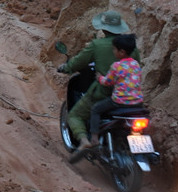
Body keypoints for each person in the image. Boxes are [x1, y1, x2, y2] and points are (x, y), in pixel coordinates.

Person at [57, 10, 140, 154]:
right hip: (133, 96)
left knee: (75, 115)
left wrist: (67, 67)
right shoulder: (130, 47)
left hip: (104, 93)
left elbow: (78, 62)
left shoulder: (97, 45)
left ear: (103, 28)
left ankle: (85, 141)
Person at [70, 34, 144, 163]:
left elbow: (107, 82)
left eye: (114, 49)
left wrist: (99, 77)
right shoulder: (136, 64)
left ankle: (94, 138)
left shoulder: (116, 66)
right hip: (137, 102)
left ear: (121, 52)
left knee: (95, 109)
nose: (113, 52)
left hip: (119, 102)